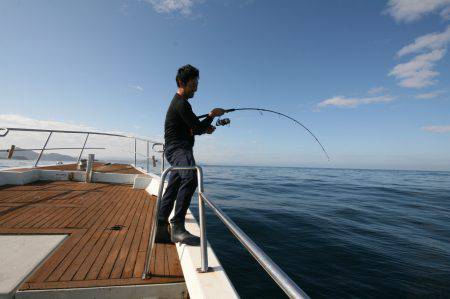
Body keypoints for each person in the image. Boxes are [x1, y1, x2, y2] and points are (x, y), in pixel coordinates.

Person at [156, 64, 224, 245]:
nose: (196, 87)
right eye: (193, 84)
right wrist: (212, 115)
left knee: (174, 185)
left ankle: (160, 227)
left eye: (196, 83)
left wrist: (205, 127)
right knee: (192, 176)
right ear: (181, 82)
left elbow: (195, 128)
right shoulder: (181, 104)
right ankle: (177, 226)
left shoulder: (182, 104)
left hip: (176, 148)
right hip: (178, 149)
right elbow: (197, 126)